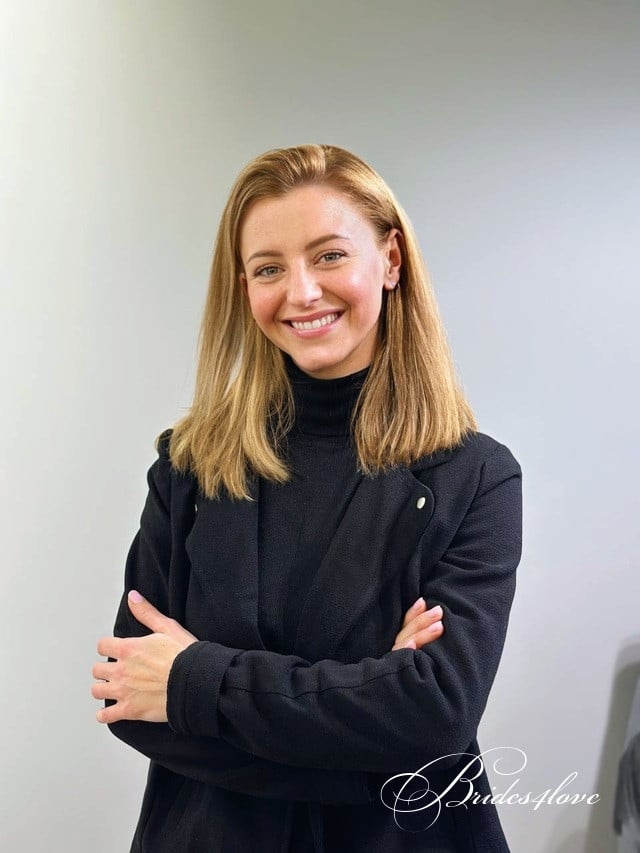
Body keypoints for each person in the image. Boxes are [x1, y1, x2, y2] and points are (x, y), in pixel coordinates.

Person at [91, 143, 522, 852]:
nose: (301, 292)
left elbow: (435, 715)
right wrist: (367, 716)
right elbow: (130, 697)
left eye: (329, 255)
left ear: (390, 260)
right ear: (243, 287)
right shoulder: (189, 466)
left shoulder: (475, 477)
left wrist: (193, 681)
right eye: (269, 268)